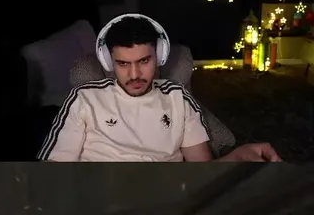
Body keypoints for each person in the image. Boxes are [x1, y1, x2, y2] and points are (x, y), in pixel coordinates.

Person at [38, 14, 281, 162]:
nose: (134, 74)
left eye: (144, 61)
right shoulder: (84, 97)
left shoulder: (178, 98)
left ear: (160, 56)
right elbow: (55, 172)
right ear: (109, 62)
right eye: (123, 64)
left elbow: (202, 174)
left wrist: (239, 156)